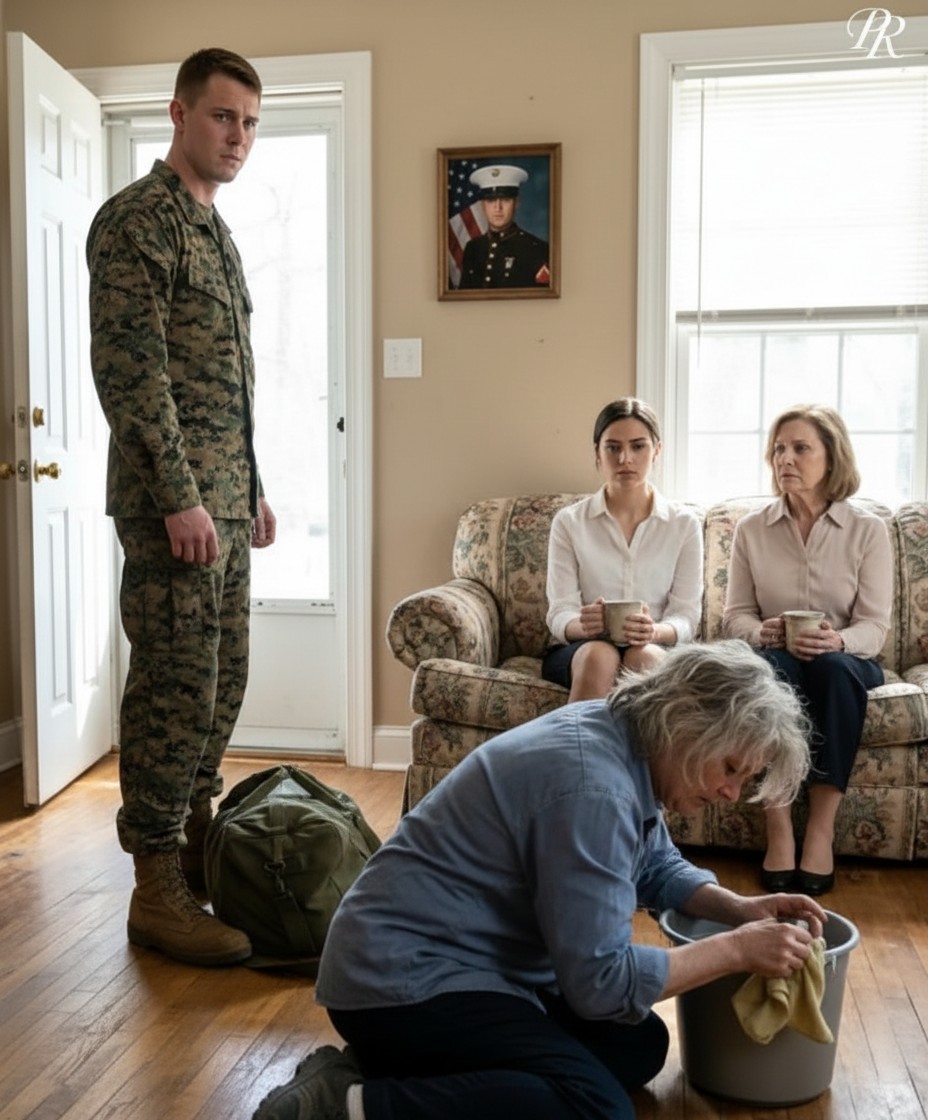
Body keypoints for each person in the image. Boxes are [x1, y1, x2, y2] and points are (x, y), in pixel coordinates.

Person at [253, 640, 826, 1120]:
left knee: (639, 1046)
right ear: (686, 722)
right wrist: (736, 951)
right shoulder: (594, 788)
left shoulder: (622, 736)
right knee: (594, 1107)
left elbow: (653, 863)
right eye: (730, 768)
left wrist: (740, 909)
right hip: (401, 980)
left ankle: (394, 1065)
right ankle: (344, 1103)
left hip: (468, 964)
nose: (731, 793)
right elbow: (600, 981)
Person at [87, 47, 276, 966]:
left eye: (248, 122)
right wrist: (180, 498)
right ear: (178, 114)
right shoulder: (137, 223)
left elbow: (225, 385)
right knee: (173, 685)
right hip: (174, 510)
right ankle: (153, 882)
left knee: (223, 678)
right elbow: (133, 375)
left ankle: (196, 838)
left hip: (225, 506)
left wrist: (254, 488)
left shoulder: (216, 233)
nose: (237, 136)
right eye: (222, 117)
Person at [722, 404, 892, 897]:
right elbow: (736, 616)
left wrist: (839, 640)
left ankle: (819, 830)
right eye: (778, 449)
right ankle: (777, 824)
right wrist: (764, 632)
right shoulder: (753, 529)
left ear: (832, 456)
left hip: (846, 661)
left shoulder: (867, 530)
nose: (785, 459)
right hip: (777, 656)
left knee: (836, 670)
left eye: (800, 448)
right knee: (770, 671)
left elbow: (874, 627)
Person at [543, 398, 703, 702]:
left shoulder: (683, 524)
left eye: (638, 446)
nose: (625, 458)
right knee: (600, 656)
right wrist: (582, 625)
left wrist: (655, 631)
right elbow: (559, 612)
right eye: (613, 447)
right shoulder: (569, 522)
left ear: (657, 451)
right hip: (582, 649)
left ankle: (637, 752)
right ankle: (581, 750)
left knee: (644, 659)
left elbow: (686, 616)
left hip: (654, 645)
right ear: (597, 454)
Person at [458, 164, 550, 288]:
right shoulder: (473, 248)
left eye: (506, 200)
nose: (498, 208)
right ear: (482, 206)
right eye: (491, 201)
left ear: (517, 203)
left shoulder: (537, 249)